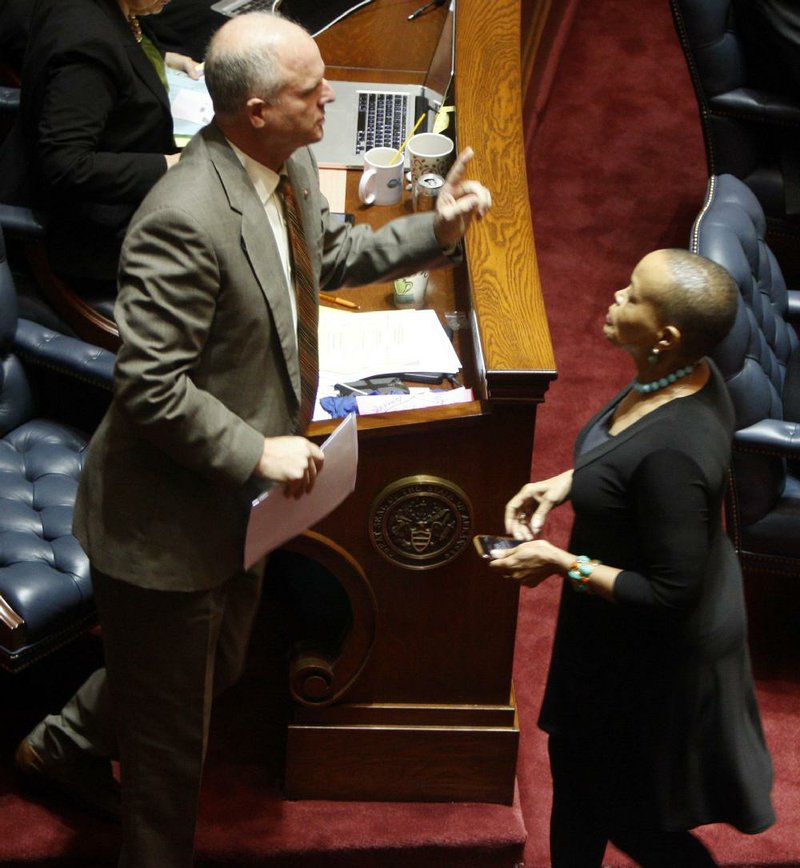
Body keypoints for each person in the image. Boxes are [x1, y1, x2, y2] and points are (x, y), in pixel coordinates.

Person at [13, 10, 491, 868]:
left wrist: (438, 230)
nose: (331, 99)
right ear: (257, 110)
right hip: (162, 523)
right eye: (314, 91)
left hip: (240, 509)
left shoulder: (292, 160)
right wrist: (256, 450)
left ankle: (57, 743)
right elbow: (150, 386)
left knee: (216, 665)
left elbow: (331, 255)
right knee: (170, 755)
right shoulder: (183, 220)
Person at [489, 249, 775, 867]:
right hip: (618, 628)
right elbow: (628, 457)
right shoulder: (678, 373)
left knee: (626, 816)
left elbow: (670, 594)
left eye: (634, 295)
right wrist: (570, 481)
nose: (617, 295)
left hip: (650, 658)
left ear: (666, 336)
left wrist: (561, 562)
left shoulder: (675, 455)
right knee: (581, 785)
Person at [0, 0, 202, 285]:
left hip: (117, 187)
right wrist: (169, 164)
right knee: (222, 252)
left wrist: (162, 57)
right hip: (83, 229)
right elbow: (66, 164)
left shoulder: (111, 11)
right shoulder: (87, 43)